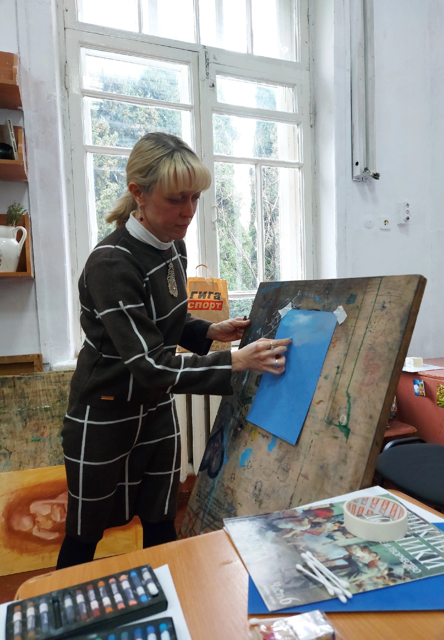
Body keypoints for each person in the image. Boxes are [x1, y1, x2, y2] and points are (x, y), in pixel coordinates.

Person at [56, 132, 291, 569]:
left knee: (162, 519)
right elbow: (149, 363)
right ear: (138, 193)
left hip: (155, 408)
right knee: (84, 533)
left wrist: (211, 330)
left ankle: (173, 600)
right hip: (104, 413)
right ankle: (60, 609)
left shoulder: (173, 247)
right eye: (176, 199)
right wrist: (237, 360)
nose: (189, 211)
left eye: (195, 197)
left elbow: (165, 322)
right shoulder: (112, 263)